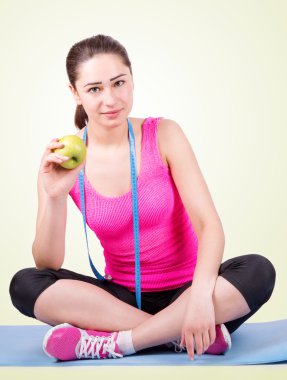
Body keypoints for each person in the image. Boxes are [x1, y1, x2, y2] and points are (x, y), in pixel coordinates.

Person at [9, 34, 276, 362]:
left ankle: (116, 343)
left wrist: (201, 299)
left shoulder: (164, 134)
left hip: (189, 292)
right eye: (94, 89)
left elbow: (210, 226)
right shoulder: (63, 159)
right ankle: (178, 335)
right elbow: (47, 264)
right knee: (24, 285)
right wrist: (54, 197)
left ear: (132, 79)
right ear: (75, 93)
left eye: (119, 83)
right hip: (118, 302)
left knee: (259, 271)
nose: (111, 99)